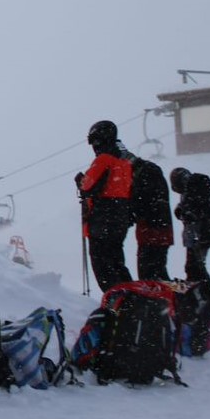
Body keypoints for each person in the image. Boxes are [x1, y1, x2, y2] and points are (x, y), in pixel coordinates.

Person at [75, 120, 134, 292]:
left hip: (102, 219)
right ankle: (131, 298)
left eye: (93, 140)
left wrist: (80, 180)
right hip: (120, 218)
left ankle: (117, 305)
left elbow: (88, 185)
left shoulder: (104, 159)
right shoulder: (124, 163)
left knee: (103, 268)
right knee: (117, 263)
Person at [119, 141, 173, 281]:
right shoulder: (150, 170)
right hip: (159, 229)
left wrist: (130, 212)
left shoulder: (144, 174)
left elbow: (143, 203)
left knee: (150, 275)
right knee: (157, 272)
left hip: (152, 230)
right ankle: (177, 296)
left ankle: (172, 297)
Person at [171, 167, 210, 288]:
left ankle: (202, 296)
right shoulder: (189, 190)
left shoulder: (200, 189)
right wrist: (180, 211)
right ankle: (199, 295)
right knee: (194, 268)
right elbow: (186, 207)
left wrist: (196, 215)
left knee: (195, 269)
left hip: (201, 236)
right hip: (193, 237)